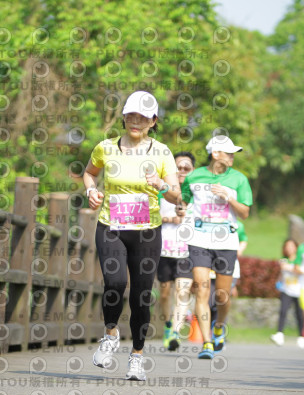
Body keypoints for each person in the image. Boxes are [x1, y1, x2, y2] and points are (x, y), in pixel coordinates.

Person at [83, 91, 181, 380]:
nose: (136, 121)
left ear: (153, 121)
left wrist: (162, 184)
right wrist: (91, 190)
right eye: (131, 115)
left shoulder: (162, 152)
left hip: (147, 232)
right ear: (124, 117)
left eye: (143, 117)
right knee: (114, 282)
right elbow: (89, 173)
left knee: (141, 295)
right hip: (111, 226)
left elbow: (176, 196)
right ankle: (111, 334)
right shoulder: (106, 148)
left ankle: (137, 356)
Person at [180, 135, 252, 359]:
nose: (232, 157)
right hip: (199, 239)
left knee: (222, 296)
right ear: (215, 154)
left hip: (226, 241)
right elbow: (183, 202)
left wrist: (228, 197)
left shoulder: (239, 179)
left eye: (233, 153)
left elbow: (245, 213)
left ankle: (219, 325)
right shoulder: (194, 176)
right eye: (228, 153)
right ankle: (207, 343)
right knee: (201, 290)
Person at [158, 152, 195, 351]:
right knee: (164, 293)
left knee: (182, 291)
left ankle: (175, 332)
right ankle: (168, 325)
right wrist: (170, 219)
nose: (181, 171)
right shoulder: (162, 190)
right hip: (163, 249)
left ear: (192, 171)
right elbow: (149, 215)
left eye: (186, 168)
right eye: (178, 167)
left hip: (186, 250)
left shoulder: (197, 192)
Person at [270, 239, 304, 348]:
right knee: (283, 311)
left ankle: (302, 337)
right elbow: (282, 274)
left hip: (299, 290)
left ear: (296, 247)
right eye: (287, 246)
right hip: (286, 290)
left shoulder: (300, 260)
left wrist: (289, 268)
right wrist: (278, 282)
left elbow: (302, 271)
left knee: (299, 314)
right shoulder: (283, 260)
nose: (289, 248)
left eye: (291, 246)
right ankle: (279, 334)